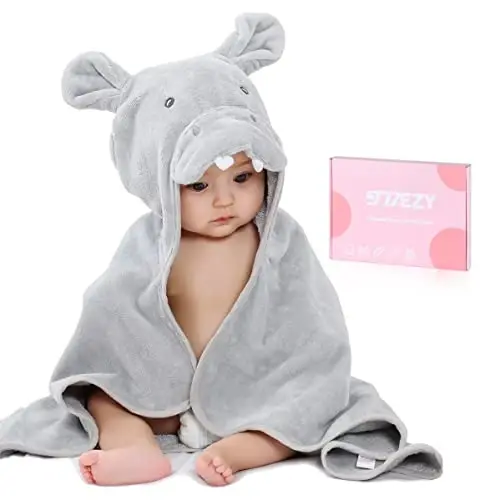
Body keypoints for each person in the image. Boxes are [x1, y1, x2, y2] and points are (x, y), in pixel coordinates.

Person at [79, 151, 296, 487]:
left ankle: (234, 452)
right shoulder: (153, 238)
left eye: (242, 178)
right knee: (104, 397)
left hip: (251, 392)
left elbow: (308, 315)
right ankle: (135, 447)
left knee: (302, 417)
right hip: (168, 398)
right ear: (161, 185)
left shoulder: (277, 236)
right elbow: (114, 306)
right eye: (198, 185)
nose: (224, 200)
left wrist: (303, 375)